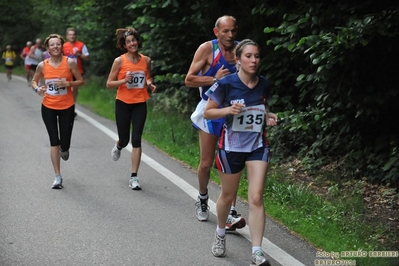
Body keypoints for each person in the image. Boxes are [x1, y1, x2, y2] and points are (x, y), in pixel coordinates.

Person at [204, 39, 277, 265]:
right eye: (248, 56)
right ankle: (220, 232)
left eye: (256, 56)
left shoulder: (264, 84)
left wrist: (269, 116)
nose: (253, 60)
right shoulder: (226, 84)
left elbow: (263, 108)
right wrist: (228, 109)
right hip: (231, 146)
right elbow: (208, 113)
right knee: (227, 196)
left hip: (257, 145)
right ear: (238, 59)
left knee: (256, 197)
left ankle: (256, 251)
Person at [185, 15, 245, 230]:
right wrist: (214, 79)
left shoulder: (241, 50)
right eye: (225, 31)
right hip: (210, 110)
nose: (230, 35)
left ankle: (230, 212)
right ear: (216, 31)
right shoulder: (207, 49)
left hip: (234, 112)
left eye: (233, 31)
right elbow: (189, 79)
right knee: (207, 162)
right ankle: (202, 197)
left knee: (233, 162)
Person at [31, 34, 84, 189]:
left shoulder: (70, 62)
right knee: (54, 140)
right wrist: (37, 88)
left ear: (62, 46)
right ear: (47, 48)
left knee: (64, 143)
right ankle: (57, 176)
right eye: (52, 45)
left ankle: (64, 148)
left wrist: (68, 83)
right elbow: (34, 81)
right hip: (48, 107)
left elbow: (81, 81)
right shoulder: (42, 65)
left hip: (67, 107)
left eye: (58, 44)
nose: (55, 47)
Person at [106, 27, 156, 190]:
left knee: (136, 139)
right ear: (124, 45)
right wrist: (123, 81)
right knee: (125, 139)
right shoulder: (119, 61)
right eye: (128, 42)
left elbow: (147, 76)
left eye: (134, 40)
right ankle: (119, 145)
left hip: (140, 102)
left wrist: (149, 84)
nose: (132, 43)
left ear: (137, 41)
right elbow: (109, 84)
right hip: (123, 102)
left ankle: (134, 176)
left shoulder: (146, 60)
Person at [63, 27, 90, 116]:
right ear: (67, 36)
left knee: (74, 89)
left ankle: (72, 107)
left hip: (77, 71)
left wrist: (78, 54)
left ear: (76, 35)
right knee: (67, 89)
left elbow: (87, 58)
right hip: (66, 71)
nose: (72, 36)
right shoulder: (63, 46)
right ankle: (65, 107)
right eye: (70, 34)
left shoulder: (81, 45)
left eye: (73, 34)